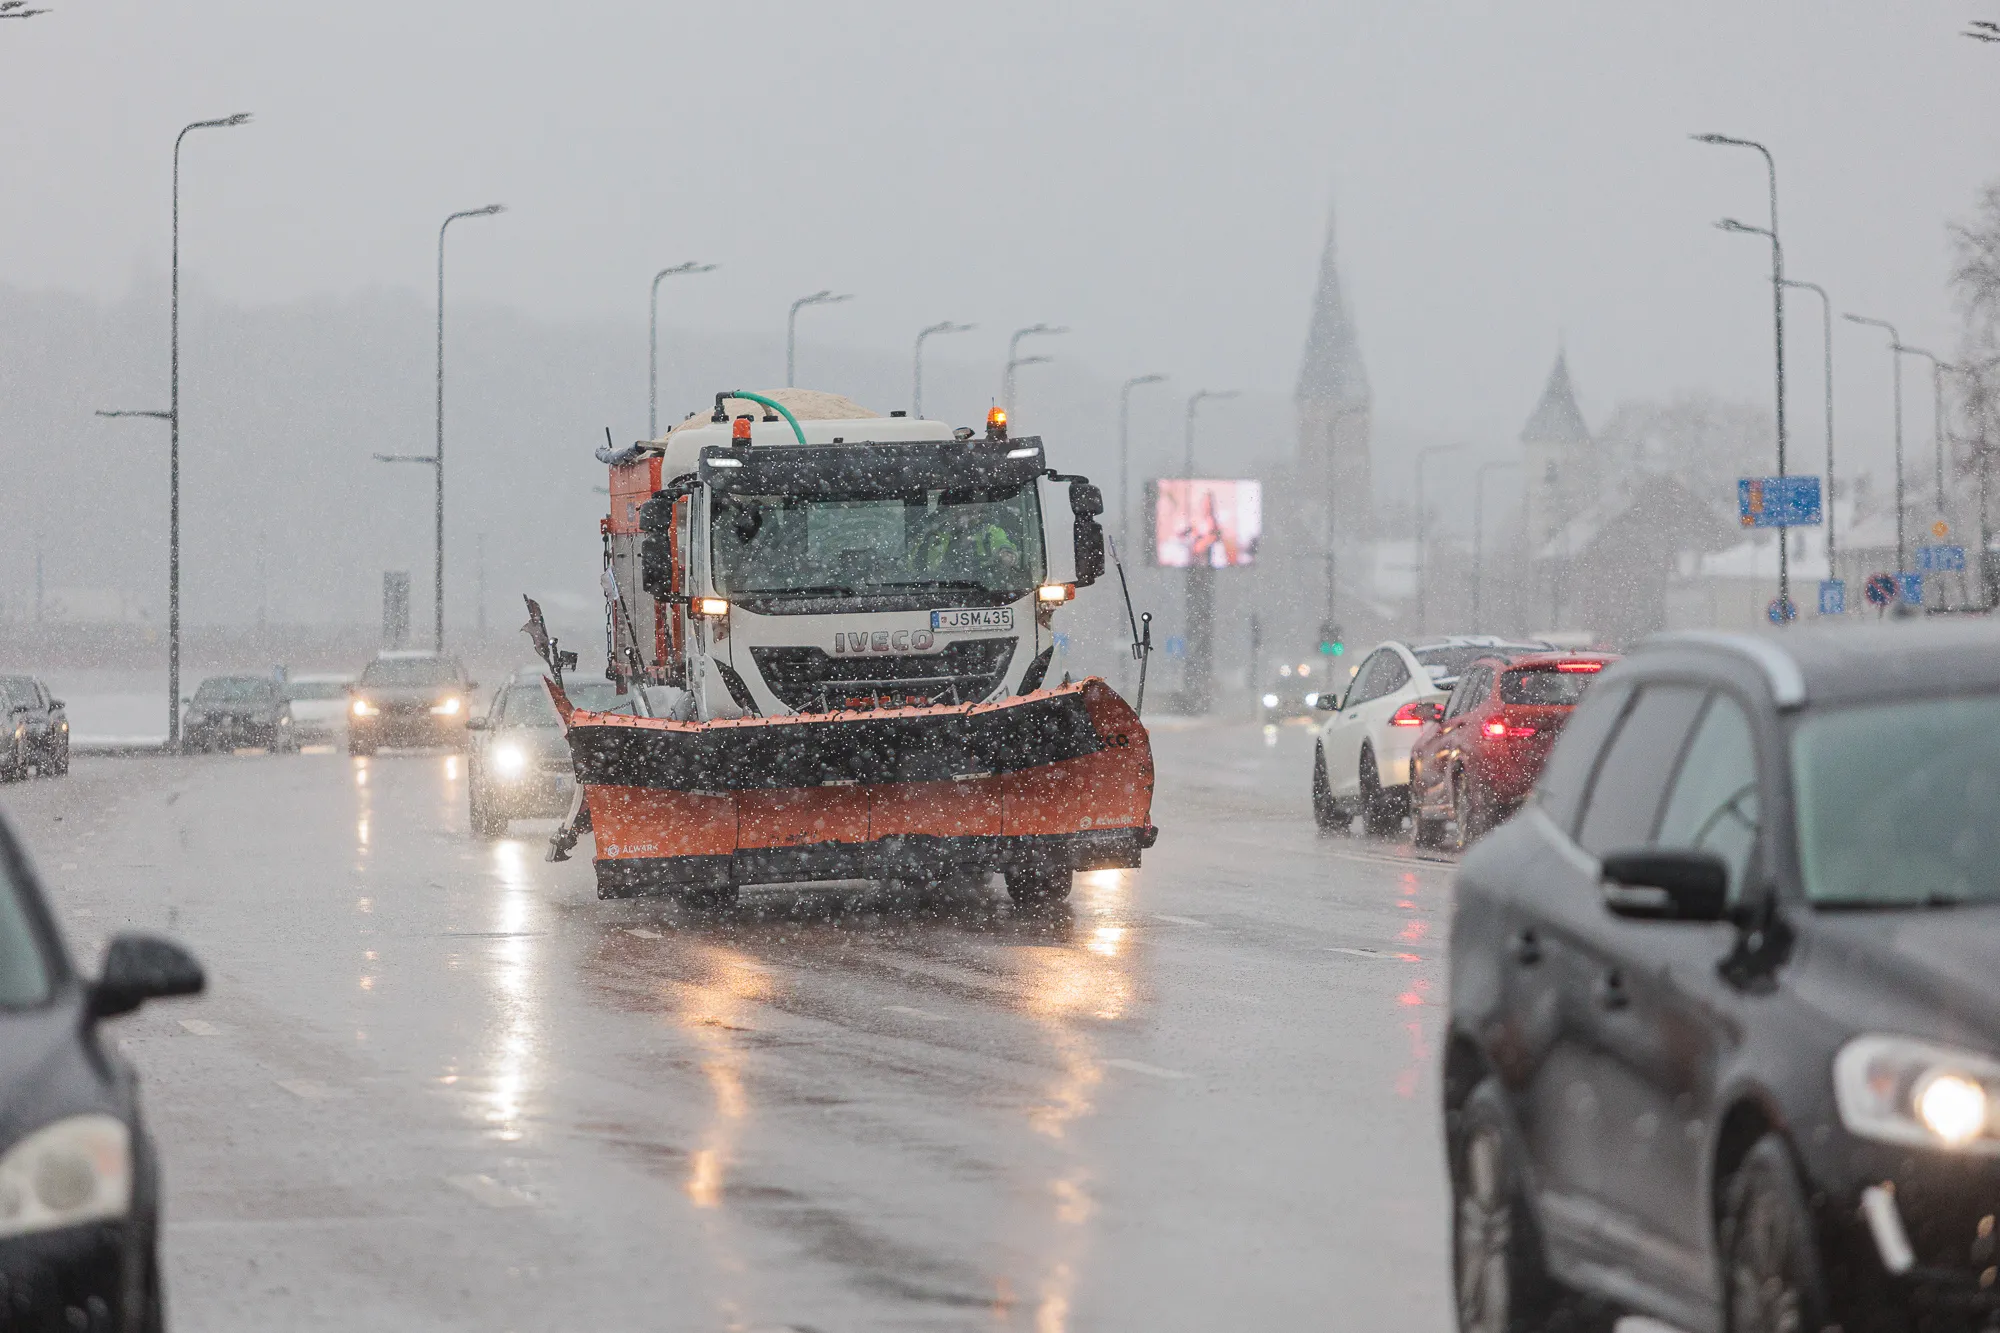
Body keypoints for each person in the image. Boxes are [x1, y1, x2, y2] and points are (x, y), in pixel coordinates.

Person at [917, 504, 1020, 576]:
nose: (966, 517)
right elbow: (915, 567)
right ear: (951, 511)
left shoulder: (990, 532)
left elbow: (1001, 542)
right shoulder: (935, 536)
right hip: (942, 590)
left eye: (971, 512)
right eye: (962, 512)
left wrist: (1006, 553)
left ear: (979, 513)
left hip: (984, 590)